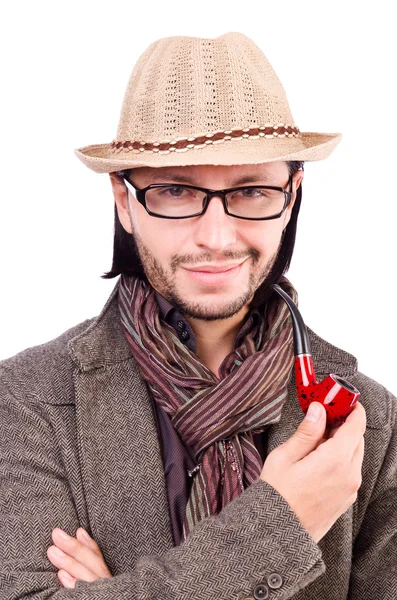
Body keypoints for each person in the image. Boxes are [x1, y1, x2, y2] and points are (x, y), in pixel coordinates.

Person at [0, 32, 395, 600]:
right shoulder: (25, 402)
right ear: (123, 200)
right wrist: (283, 525)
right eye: (176, 191)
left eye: (253, 191)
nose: (216, 237)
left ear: (292, 195)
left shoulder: (370, 421)